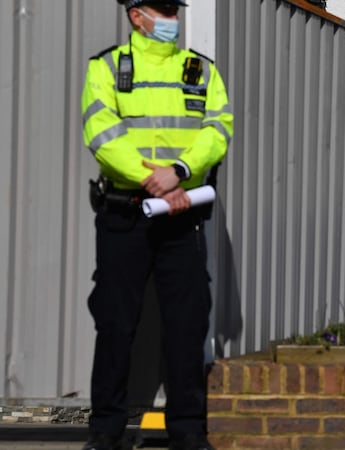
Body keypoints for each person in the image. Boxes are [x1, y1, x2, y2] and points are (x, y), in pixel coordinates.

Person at [81, 0, 233, 449]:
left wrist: (180, 172)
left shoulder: (200, 70)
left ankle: (187, 431)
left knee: (187, 326)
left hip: (182, 217)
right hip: (124, 214)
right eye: (163, 9)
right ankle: (105, 433)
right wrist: (156, 181)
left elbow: (218, 128)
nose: (172, 18)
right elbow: (101, 132)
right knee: (115, 326)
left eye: (174, 9)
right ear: (136, 15)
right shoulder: (107, 67)